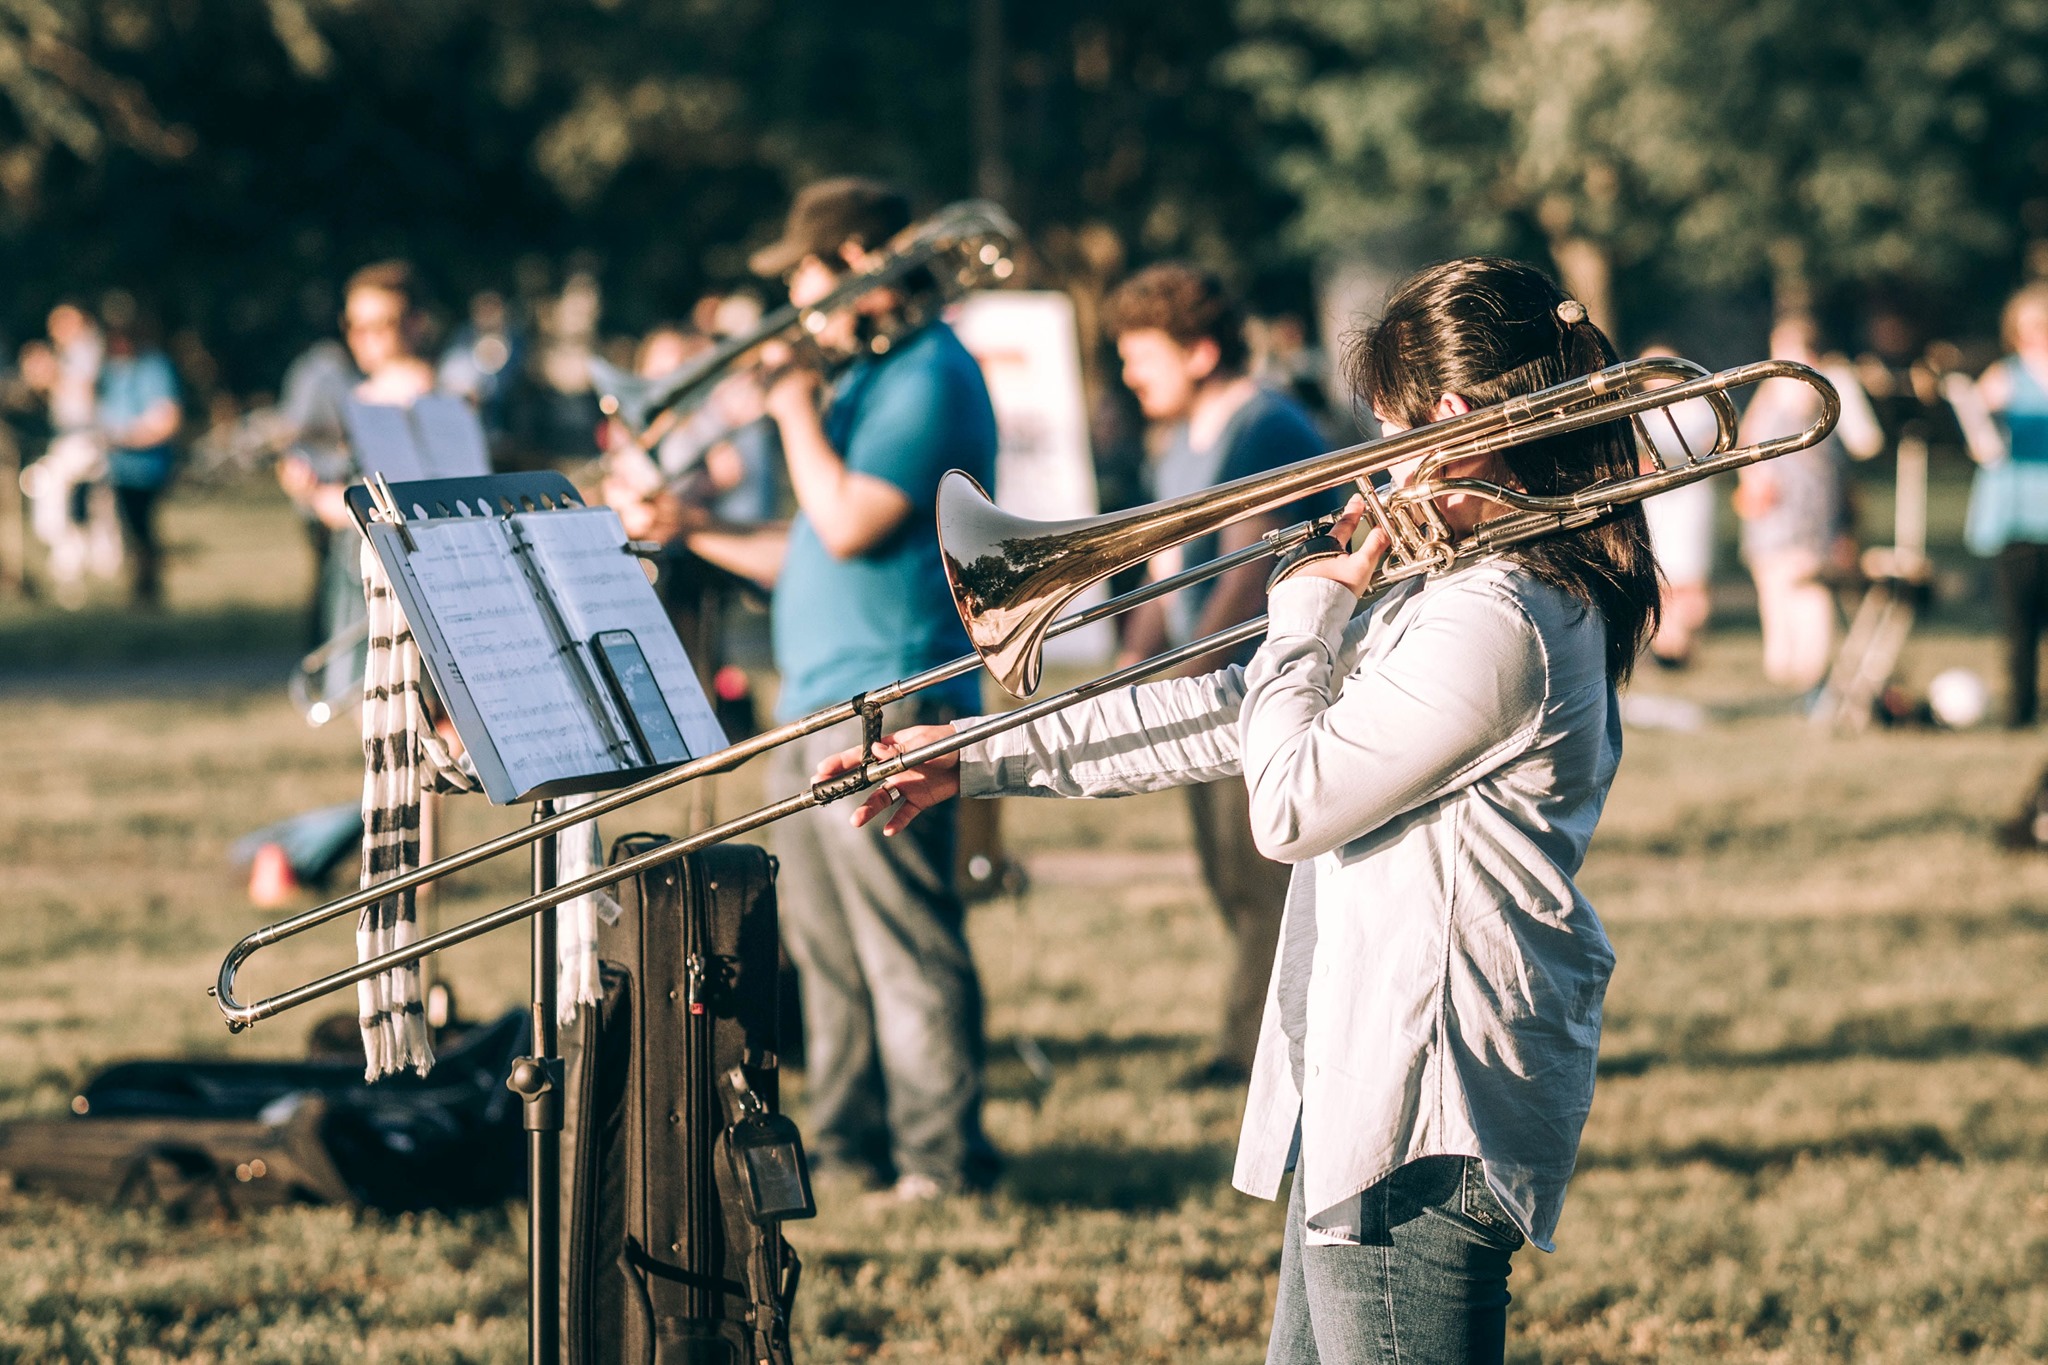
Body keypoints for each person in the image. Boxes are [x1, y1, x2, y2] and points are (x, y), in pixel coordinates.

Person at [816, 257, 1658, 1362]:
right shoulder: (1459, 586)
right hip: (1372, 1075)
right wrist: (978, 755)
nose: (1377, 470)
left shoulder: (1499, 613)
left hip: (1426, 1101)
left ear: (1453, 421)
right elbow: (1233, 713)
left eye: (1390, 433)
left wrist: (1301, 615)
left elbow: (1289, 801)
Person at [674, 178, 1002, 1200]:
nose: (799, 302)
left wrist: (783, 405)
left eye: (807, 277)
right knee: (827, 954)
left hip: (891, 693)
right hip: (812, 697)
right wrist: (690, 531)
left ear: (857, 264)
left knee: (901, 942)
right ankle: (856, 1150)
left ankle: (940, 1164)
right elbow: (814, 548)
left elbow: (853, 516)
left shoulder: (928, 371)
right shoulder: (862, 380)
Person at [1104, 262, 1333, 1086]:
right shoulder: (1180, 444)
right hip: (1210, 694)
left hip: (1262, 692)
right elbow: (1170, 564)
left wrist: (1177, 670)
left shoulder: (1261, 427)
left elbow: (1245, 571)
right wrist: (1133, 661)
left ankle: (1258, 1058)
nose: (1129, 376)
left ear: (1199, 352)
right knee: (1230, 882)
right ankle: (1259, 1048)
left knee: (1263, 884)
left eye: (1144, 357)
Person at [1735, 315, 1853, 694]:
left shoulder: (1814, 389)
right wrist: (1751, 483)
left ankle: (1811, 670)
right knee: (1773, 587)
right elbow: (1747, 438)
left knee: (1807, 587)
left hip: (1807, 508)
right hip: (1770, 510)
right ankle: (1783, 668)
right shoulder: (1770, 389)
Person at [1966, 283, 2048, 728]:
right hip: (2018, 512)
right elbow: (1982, 443)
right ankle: (2021, 709)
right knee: (2019, 625)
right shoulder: (2003, 376)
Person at [1635, 342, 1723, 667]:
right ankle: (1666, 643)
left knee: (1688, 574)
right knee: (1660, 576)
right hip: (1656, 504)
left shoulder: (1698, 406)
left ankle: (1684, 642)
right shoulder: (1643, 411)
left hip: (1688, 501)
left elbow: (1706, 447)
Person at [94, 292, 182, 607]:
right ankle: (140, 589)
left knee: (143, 531)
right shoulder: (112, 370)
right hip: (119, 467)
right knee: (128, 532)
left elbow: (167, 419)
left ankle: (149, 590)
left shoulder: (153, 367)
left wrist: (124, 437)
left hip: (147, 468)